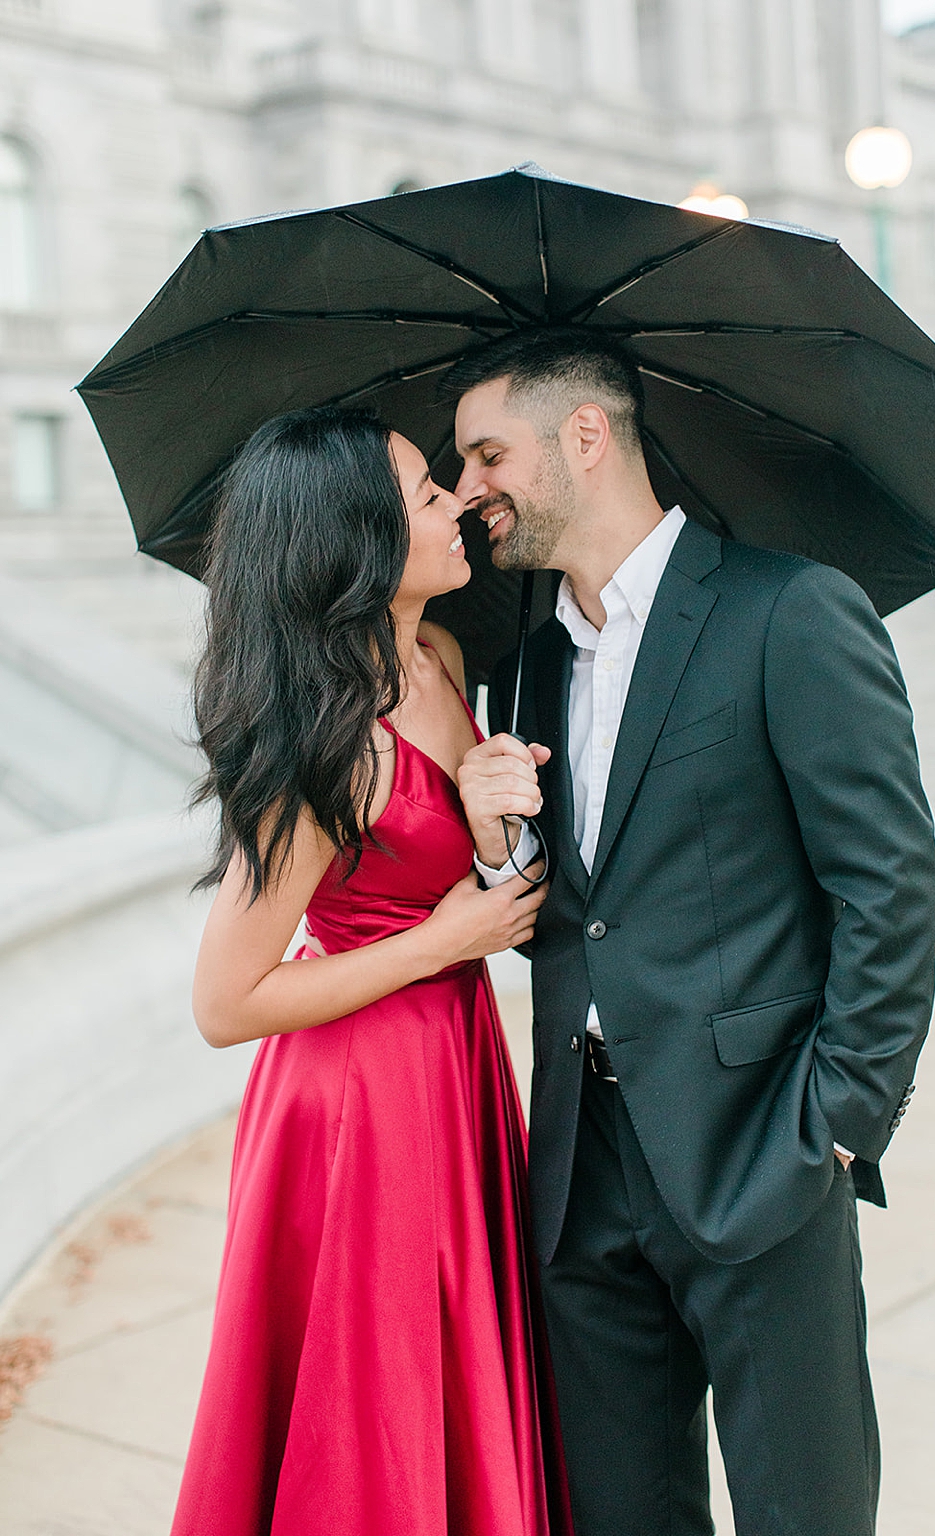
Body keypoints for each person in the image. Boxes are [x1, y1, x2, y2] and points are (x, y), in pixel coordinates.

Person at [448, 328, 935, 1536]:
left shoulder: (790, 611)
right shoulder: (515, 669)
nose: (468, 492)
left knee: (803, 1516)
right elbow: (565, 918)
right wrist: (494, 840)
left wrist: (833, 1125)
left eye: (485, 455)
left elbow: (889, 889)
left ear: (585, 434)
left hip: (758, 1152)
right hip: (578, 1168)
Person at [170, 404, 572, 1536]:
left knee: (454, 1370)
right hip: (360, 1101)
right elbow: (225, 1000)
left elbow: (473, 883)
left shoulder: (441, 655)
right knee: (375, 1396)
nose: (457, 504)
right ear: (357, 543)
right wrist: (444, 942)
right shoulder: (328, 739)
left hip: (454, 1060)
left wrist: (497, 826)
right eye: (425, 497)